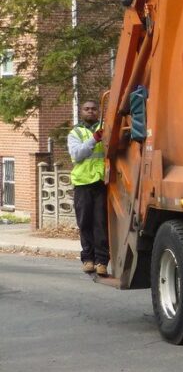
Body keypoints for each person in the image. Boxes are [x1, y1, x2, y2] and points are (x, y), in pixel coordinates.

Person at [67, 99, 109, 275]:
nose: (90, 111)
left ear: (98, 111)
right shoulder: (75, 133)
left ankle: (101, 262)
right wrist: (94, 139)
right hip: (82, 183)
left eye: (93, 109)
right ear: (81, 112)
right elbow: (77, 155)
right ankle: (88, 259)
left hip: (100, 183)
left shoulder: (106, 128)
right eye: (87, 109)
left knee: (100, 223)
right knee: (85, 223)